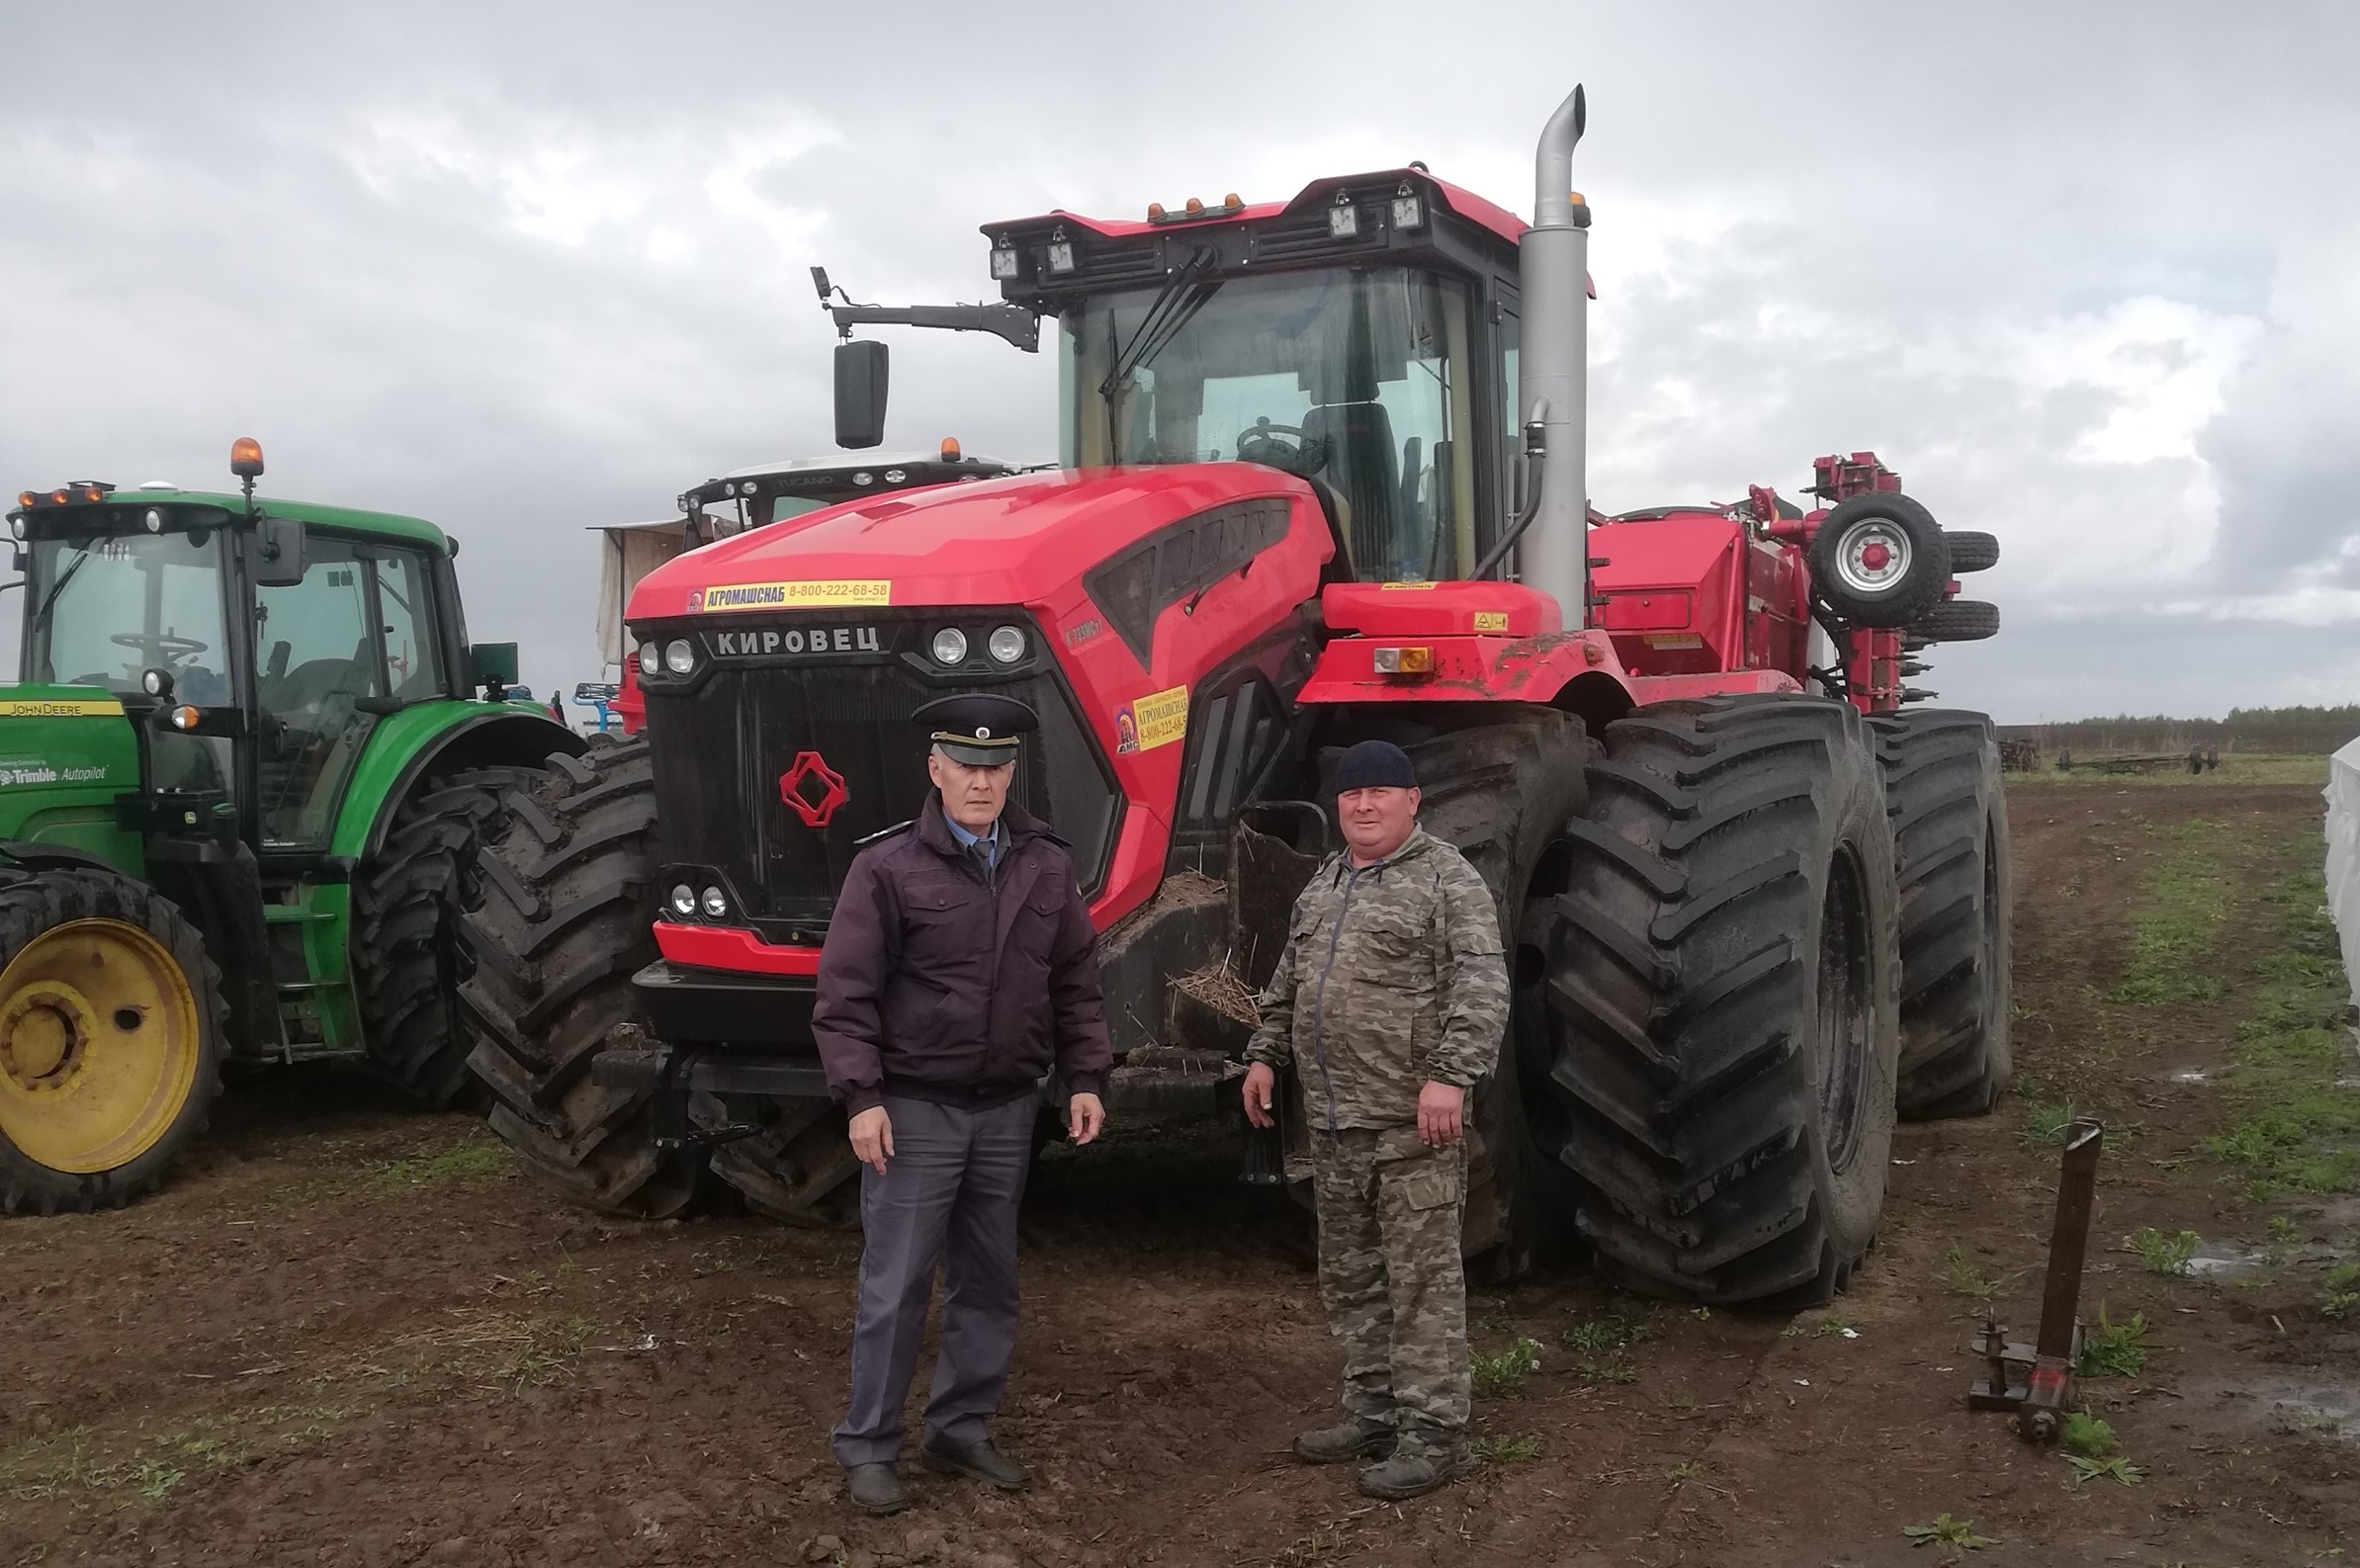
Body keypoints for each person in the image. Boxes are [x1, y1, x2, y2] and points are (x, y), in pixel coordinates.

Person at [812, 692, 1111, 1517]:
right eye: (966, 767)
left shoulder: (1046, 863)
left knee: (989, 1280)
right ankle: (870, 1447)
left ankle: (960, 1428)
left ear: (1012, 772)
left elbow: (1075, 984)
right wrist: (861, 1096)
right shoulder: (886, 867)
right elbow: (845, 995)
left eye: (995, 768)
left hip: (1007, 1108)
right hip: (914, 1110)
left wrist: (1085, 1077)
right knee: (896, 1283)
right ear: (935, 769)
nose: (981, 783)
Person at [1240, 738, 1508, 1502]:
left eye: (1379, 794)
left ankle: (1436, 1436)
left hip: (1408, 1123)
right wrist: (1263, 1054)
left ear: (1411, 800)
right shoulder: (1324, 883)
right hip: (1333, 1125)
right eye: (1351, 796)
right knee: (1353, 1280)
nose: (1363, 805)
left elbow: (1481, 987)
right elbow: (1289, 981)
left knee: (1420, 1284)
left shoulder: (1445, 880)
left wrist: (1449, 1079)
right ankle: (1375, 1412)